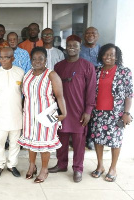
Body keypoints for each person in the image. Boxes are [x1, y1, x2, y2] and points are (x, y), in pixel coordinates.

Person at [49, 35, 96, 183]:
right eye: (69, 45)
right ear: (65, 47)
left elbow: (91, 90)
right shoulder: (59, 66)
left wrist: (88, 111)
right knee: (61, 140)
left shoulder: (87, 66)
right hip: (62, 111)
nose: (71, 48)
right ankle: (62, 164)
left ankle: (78, 168)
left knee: (79, 142)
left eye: (75, 45)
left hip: (78, 111)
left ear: (79, 48)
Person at [18, 47, 67, 183]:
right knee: (31, 142)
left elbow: (60, 96)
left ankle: (44, 169)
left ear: (46, 60)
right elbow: (25, 96)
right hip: (29, 115)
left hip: (46, 115)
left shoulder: (51, 75)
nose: (37, 61)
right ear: (31, 60)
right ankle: (32, 165)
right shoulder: (27, 74)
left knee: (45, 144)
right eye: (34, 59)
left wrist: (63, 113)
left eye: (41, 59)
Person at [90, 43, 133, 182]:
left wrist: (126, 113)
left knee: (115, 141)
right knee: (98, 140)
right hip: (98, 112)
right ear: (101, 55)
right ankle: (100, 165)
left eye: (112, 55)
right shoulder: (96, 71)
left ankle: (113, 168)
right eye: (106, 54)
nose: (108, 57)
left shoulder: (124, 72)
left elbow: (129, 94)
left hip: (116, 114)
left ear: (117, 57)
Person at [0, 47, 24, 178]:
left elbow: (22, 93)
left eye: (6, 57)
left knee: (15, 142)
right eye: (1, 57)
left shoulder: (20, 72)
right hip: (0, 114)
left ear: (13, 58)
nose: (3, 60)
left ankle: (12, 165)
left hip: (16, 113)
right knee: (0, 141)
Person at [80, 27, 101, 150]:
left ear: (97, 35)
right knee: (83, 110)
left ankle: (91, 138)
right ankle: (83, 137)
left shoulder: (102, 50)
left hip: (99, 85)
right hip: (82, 86)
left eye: (93, 33)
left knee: (95, 112)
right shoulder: (79, 50)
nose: (90, 35)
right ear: (83, 35)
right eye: (87, 33)